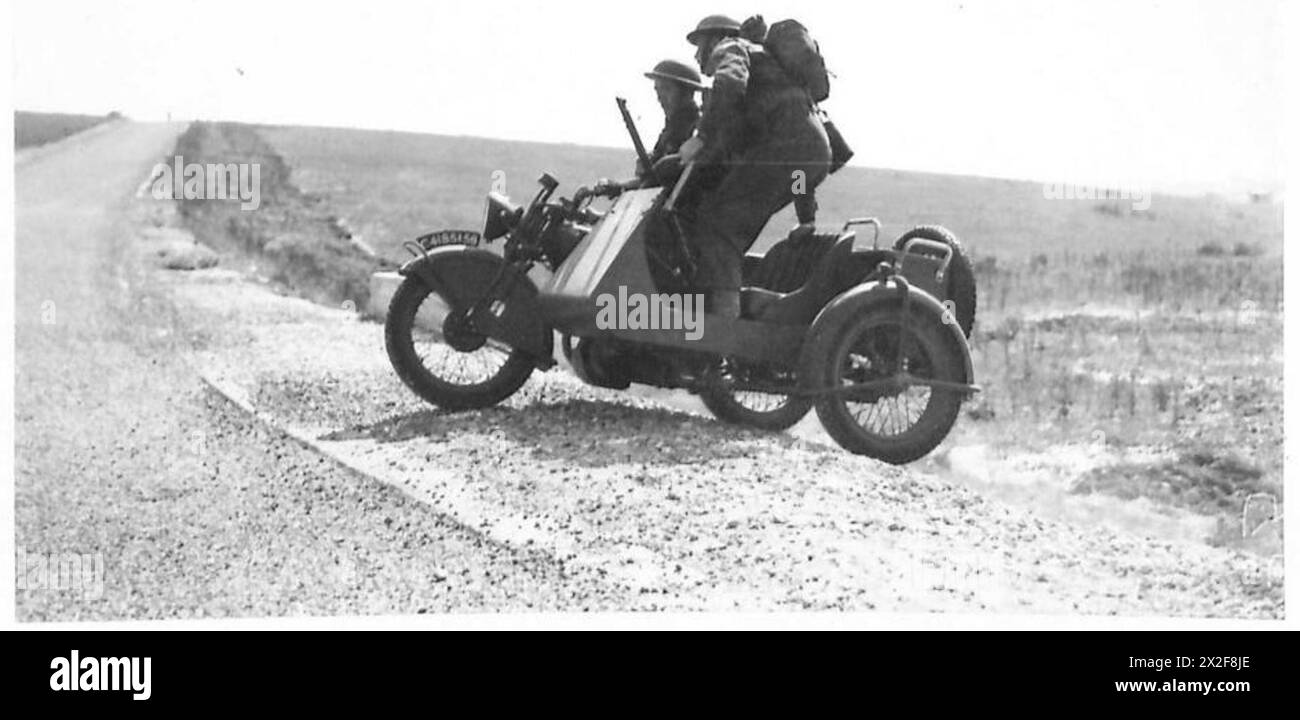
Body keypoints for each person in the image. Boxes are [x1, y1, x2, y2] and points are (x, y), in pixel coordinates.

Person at [673, 14, 833, 318]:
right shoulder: (770, 68)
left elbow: (730, 82)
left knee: (718, 225)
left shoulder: (731, 47)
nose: (697, 55)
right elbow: (799, 171)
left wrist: (701, 137)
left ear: (715, 39)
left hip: (786, 150)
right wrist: (806, 217)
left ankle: (724, 329)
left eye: (699, 45)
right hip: (812, 152)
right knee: (730, 217)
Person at [586, 59, 705, 198]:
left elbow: (673, 181)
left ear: (687, 94)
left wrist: (664, 167)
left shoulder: (699, 130)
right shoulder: (672, 129)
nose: (660, 97)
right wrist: (619, 187)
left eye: (667, 89)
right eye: (657, 89)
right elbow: (650, 181)